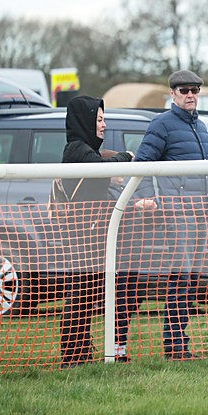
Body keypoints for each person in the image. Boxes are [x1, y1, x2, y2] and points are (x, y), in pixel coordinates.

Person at [127, 69, 208, 361]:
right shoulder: (162, 124)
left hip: (201, 213)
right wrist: (146, 197)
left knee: (190, 280)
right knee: (180, 279)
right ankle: (176, 346)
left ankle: (179, 344)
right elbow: (142, 164)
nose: (190, 95)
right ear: (173, 94)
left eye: (195, 90)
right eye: (184, 90)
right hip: (177, 213)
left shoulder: (200, 126)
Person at [59, 96, 133, 368]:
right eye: (99, 119)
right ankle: (72, 356)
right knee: (79, 297)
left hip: (91, 236)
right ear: (85, 121)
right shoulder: (77, 149)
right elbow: (104, 170)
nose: (104, 125)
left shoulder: (85, 149)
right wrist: (128, 156)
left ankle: (81, 352)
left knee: (86, 297)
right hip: (80, 238)